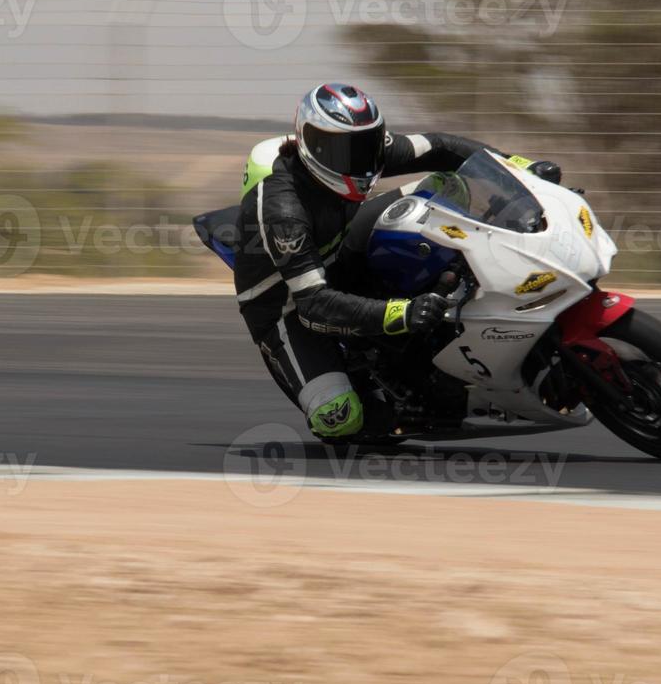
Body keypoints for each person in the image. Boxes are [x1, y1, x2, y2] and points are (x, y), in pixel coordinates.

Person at [233, 82, 559, 441]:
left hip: (338, 245)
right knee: (341, 419)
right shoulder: (285, 211)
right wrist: (401, 313)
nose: (358, 160)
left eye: (366, 145)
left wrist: (519, 168)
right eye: (344, 151)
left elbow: (441, 147)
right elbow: (313, 305)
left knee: (443, 188)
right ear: (312, 145)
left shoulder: (361, 147)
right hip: (287, 302)